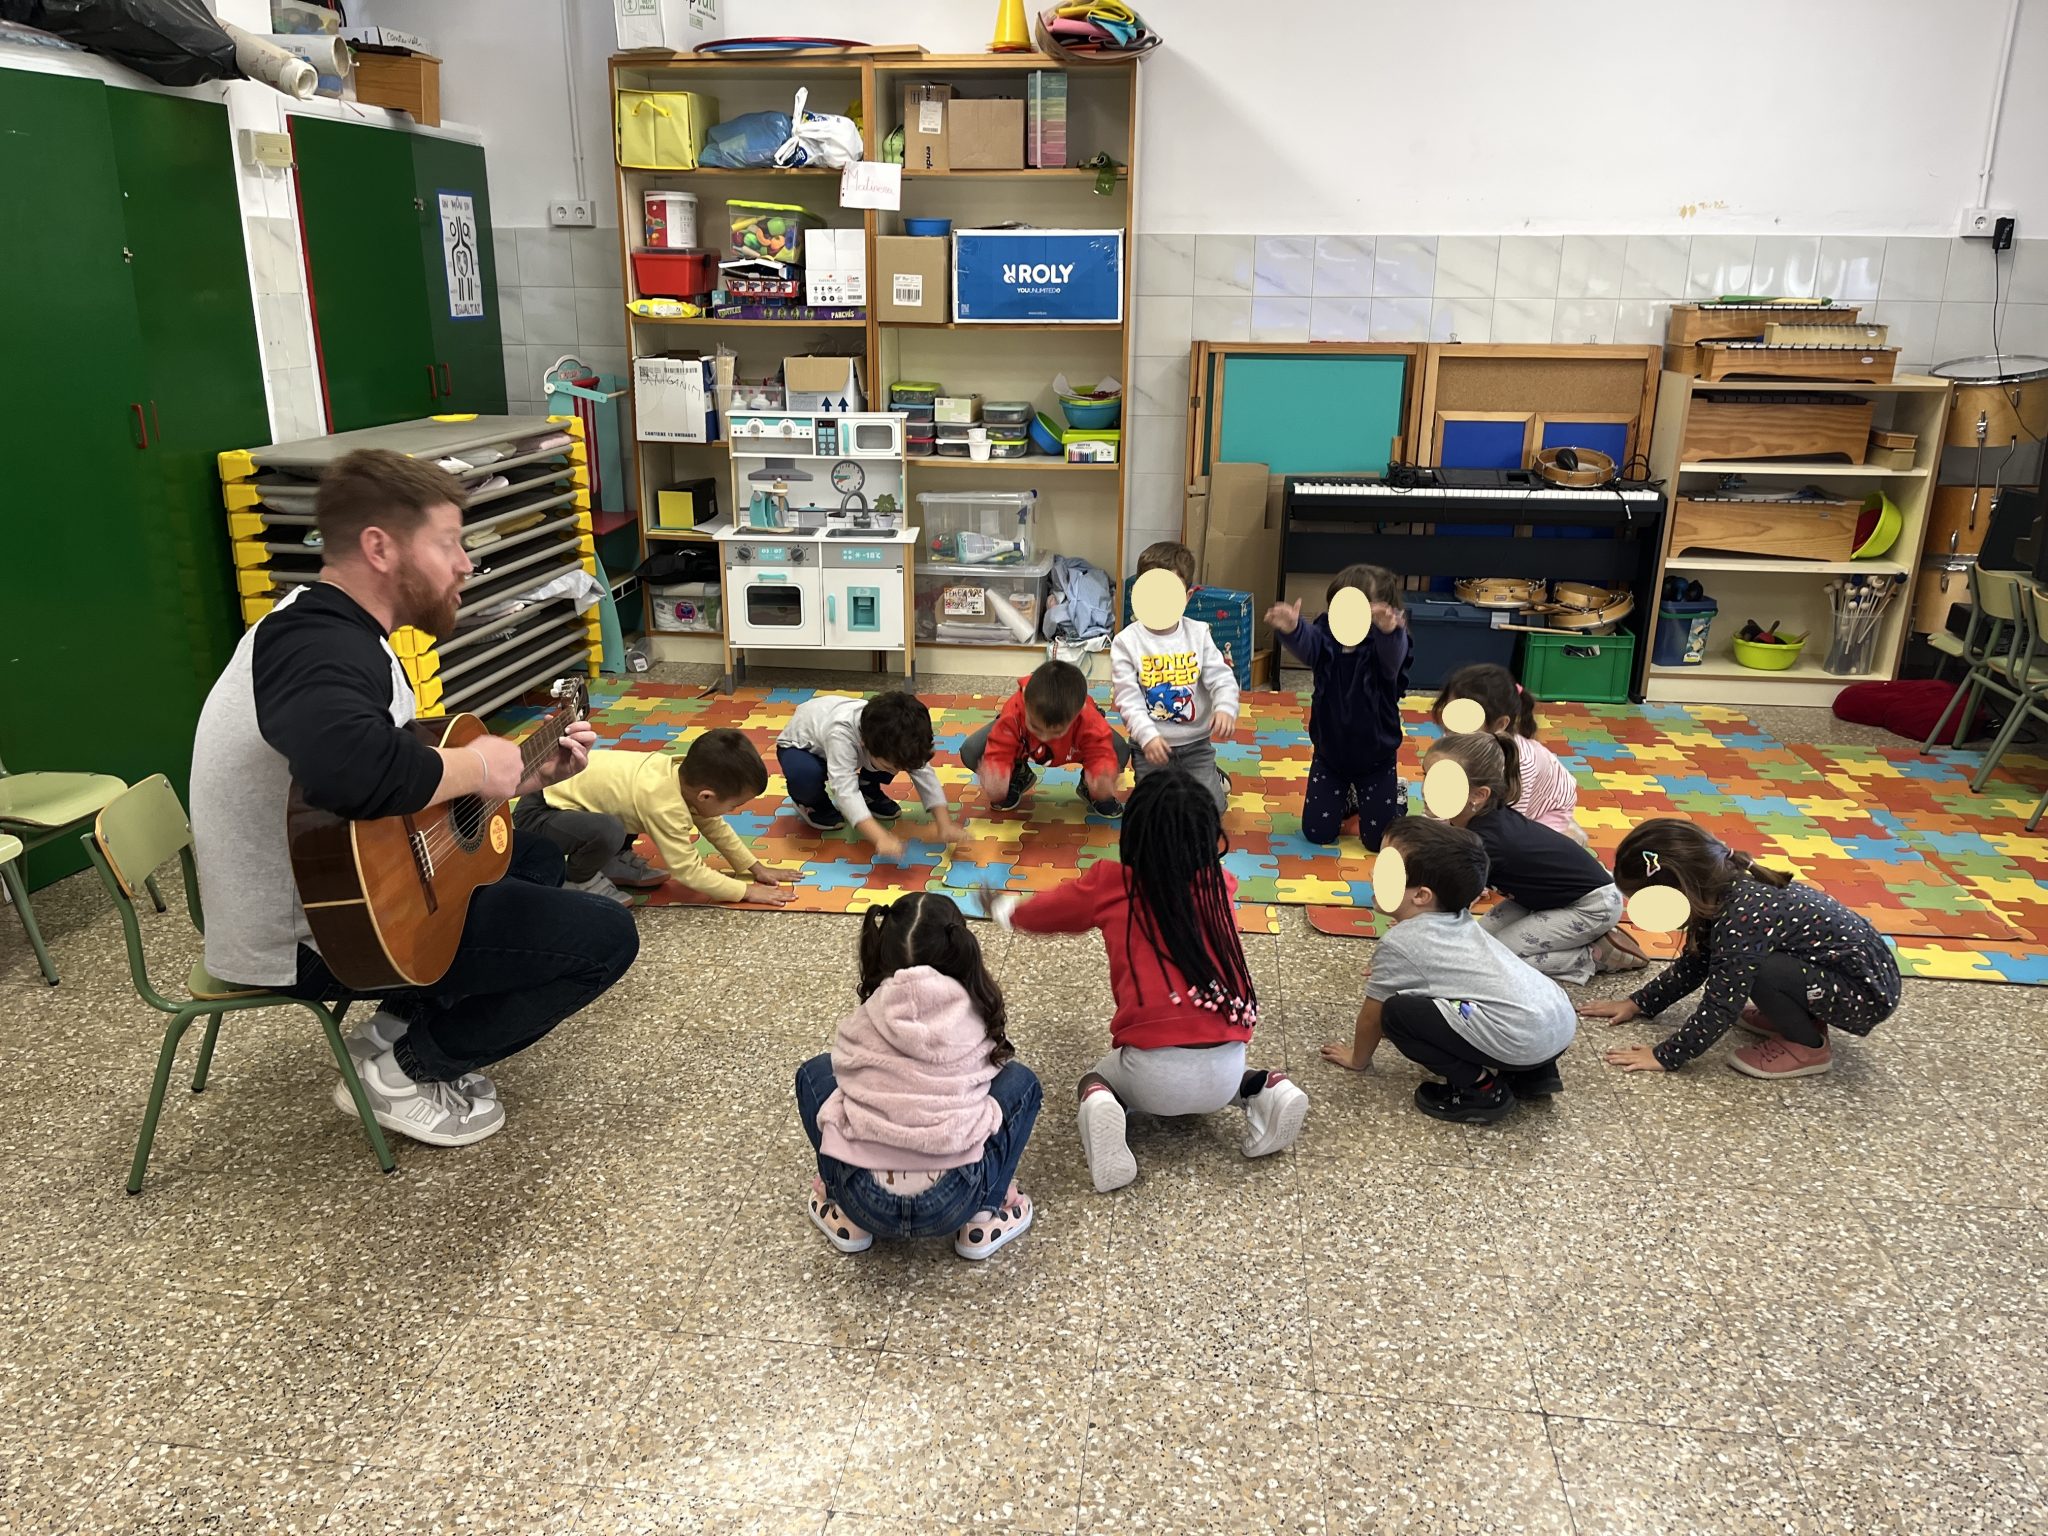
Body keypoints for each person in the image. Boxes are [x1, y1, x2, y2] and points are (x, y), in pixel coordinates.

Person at [188, 449, 639, 1149]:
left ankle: (395, 1025)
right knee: (606, 940)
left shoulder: (341, 631)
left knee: (532, 858)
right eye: (449, 543)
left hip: (345, 892)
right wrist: (476, 763)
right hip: (314, 934)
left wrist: (518, 779)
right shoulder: (312, 643)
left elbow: (393, 784)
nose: (466, 564)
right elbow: (350, 775)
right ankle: (404, 1071)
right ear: (380, 548)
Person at [992, 767, 1306, 1192]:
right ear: (1209, 836)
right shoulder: (1222, 885)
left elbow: (1052, 912)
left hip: (1151, 1076)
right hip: (1226, 1068)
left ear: (1133, 833)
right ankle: (1268, 1090)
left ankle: (1103, 1103)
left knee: (1097, 1079)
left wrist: (1009, 911)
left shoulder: (1111, 885)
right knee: (1227, 1071)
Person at [795, 893, 1042, 1261]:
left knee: (813, 1072)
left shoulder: (867, 1014)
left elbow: (844, 1076)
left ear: (882, 951)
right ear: (960, 950)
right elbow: (990, 1074)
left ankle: (844, 1212)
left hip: (863, 1197)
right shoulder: (975, 1010)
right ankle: (983, 1217)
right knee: (1022, 1082)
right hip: (955, 1198)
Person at [1584, 818, 1902, 1080]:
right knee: (1750, 965)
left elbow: (1723, 1003)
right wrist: (1639, 1003)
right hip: (1846, 976)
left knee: (1757, 970)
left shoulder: (1741, 917)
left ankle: (1808, 1044)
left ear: (1678, 890)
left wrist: (1665, 1056)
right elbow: (1696, 963)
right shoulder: (1722, 889)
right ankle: (1795, 1014)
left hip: (1864, 995)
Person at [1319, 817, 1576, 1124]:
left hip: (1522, 1040)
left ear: (1421, 896)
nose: (1374, 873)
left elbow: (1372, 1017)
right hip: (1558, 1022)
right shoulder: (1459, 915)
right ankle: (1535, 1075)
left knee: (1397, 1015)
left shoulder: (1400, 943)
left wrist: (1357, 1059)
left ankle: (1482, 1090)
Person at [1424, 731, 1636, 983]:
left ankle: (1594, 956)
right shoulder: (1477, 818)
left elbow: (1453, 901)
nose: (1426, 790)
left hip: (1591, 906)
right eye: (1427, 776)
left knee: (1495, 957)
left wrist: (1418, 943)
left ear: (1479, 795)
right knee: (1477, 941)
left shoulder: (1487, 841)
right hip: (1542, 899)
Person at [514, 726, 796, 907]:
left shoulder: (678, 775)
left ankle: (611, 859)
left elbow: (714, 826)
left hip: (568, 803)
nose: (733, 811)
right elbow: (689, 872)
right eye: (734, 806)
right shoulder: (664, 804)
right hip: (540, 813)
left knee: (624, 806)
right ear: (706, 796)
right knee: (611, 826)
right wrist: (746, 891)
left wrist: (754, 868)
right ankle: (578, 878)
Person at [1266, 563, 1411, 850]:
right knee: (1317, 833)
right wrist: (1294, 629)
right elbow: (1310, 646)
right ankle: (1348, 799)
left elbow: (1393, 660)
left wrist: (1388, 632)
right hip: (1330, 754)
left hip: (1376, 758)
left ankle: (1397, 797)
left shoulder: (1385, 643)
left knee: (1377, 842)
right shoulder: (1327, 632)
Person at [1110, 541, 1239, 813]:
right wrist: (1147, 737)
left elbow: (1221, 678)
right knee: (1153, 815)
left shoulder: (1198, 633)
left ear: (1187, 597)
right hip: (1150, 747)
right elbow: (1128, 699)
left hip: (1196, 745)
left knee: (1211, 811)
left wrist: (1225, 707)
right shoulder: (1126, 642)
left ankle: (1211, 775)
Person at [775, 691, 964, 859]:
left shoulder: (897, 733)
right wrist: (880, 837)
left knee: (897, 760)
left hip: (857, 747)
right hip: (802, 749)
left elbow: (923, 772)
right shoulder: (840, 733)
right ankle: (812, 803)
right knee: (804, 775)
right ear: (864, 743)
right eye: (891, 767)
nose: (895, 773)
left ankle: (868, 790)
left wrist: (944, 824)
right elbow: (844, 788)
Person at [1429, 662, 1585, 844]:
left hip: (1546, 810)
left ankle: (1571, 837)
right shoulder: (1455, 738)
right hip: (1489, 797)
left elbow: (1509, 824)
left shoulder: (1521, 763)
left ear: (1500, 724)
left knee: (1517, 847)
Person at [959, 659, 1131, 818]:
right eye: (1035, 727)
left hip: (1077, 748)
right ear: (1026, 702)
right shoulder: (1015, 711)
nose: (1043, 737)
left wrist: (1100, 778)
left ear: (1076, 716)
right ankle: (1018, 774)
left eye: (1055, 732)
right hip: (1021, 747)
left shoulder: (1088, 719)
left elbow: (1101, 750)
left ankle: (1088, 784)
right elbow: (1000, 746)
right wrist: (998, 774)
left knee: (1119, 751)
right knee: (972, 751)